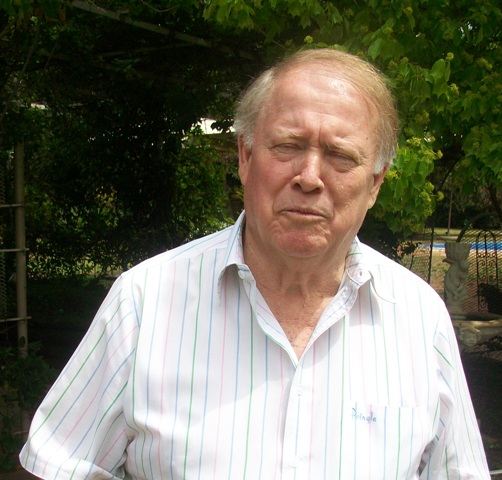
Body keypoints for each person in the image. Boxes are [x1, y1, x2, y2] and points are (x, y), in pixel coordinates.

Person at [20, 48, 490, 479]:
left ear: (375, 184)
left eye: (340, 156)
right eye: (288, 145)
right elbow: (56, 467)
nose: (309, 177)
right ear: (245, 156)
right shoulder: (144, 301)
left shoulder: (420, 319)